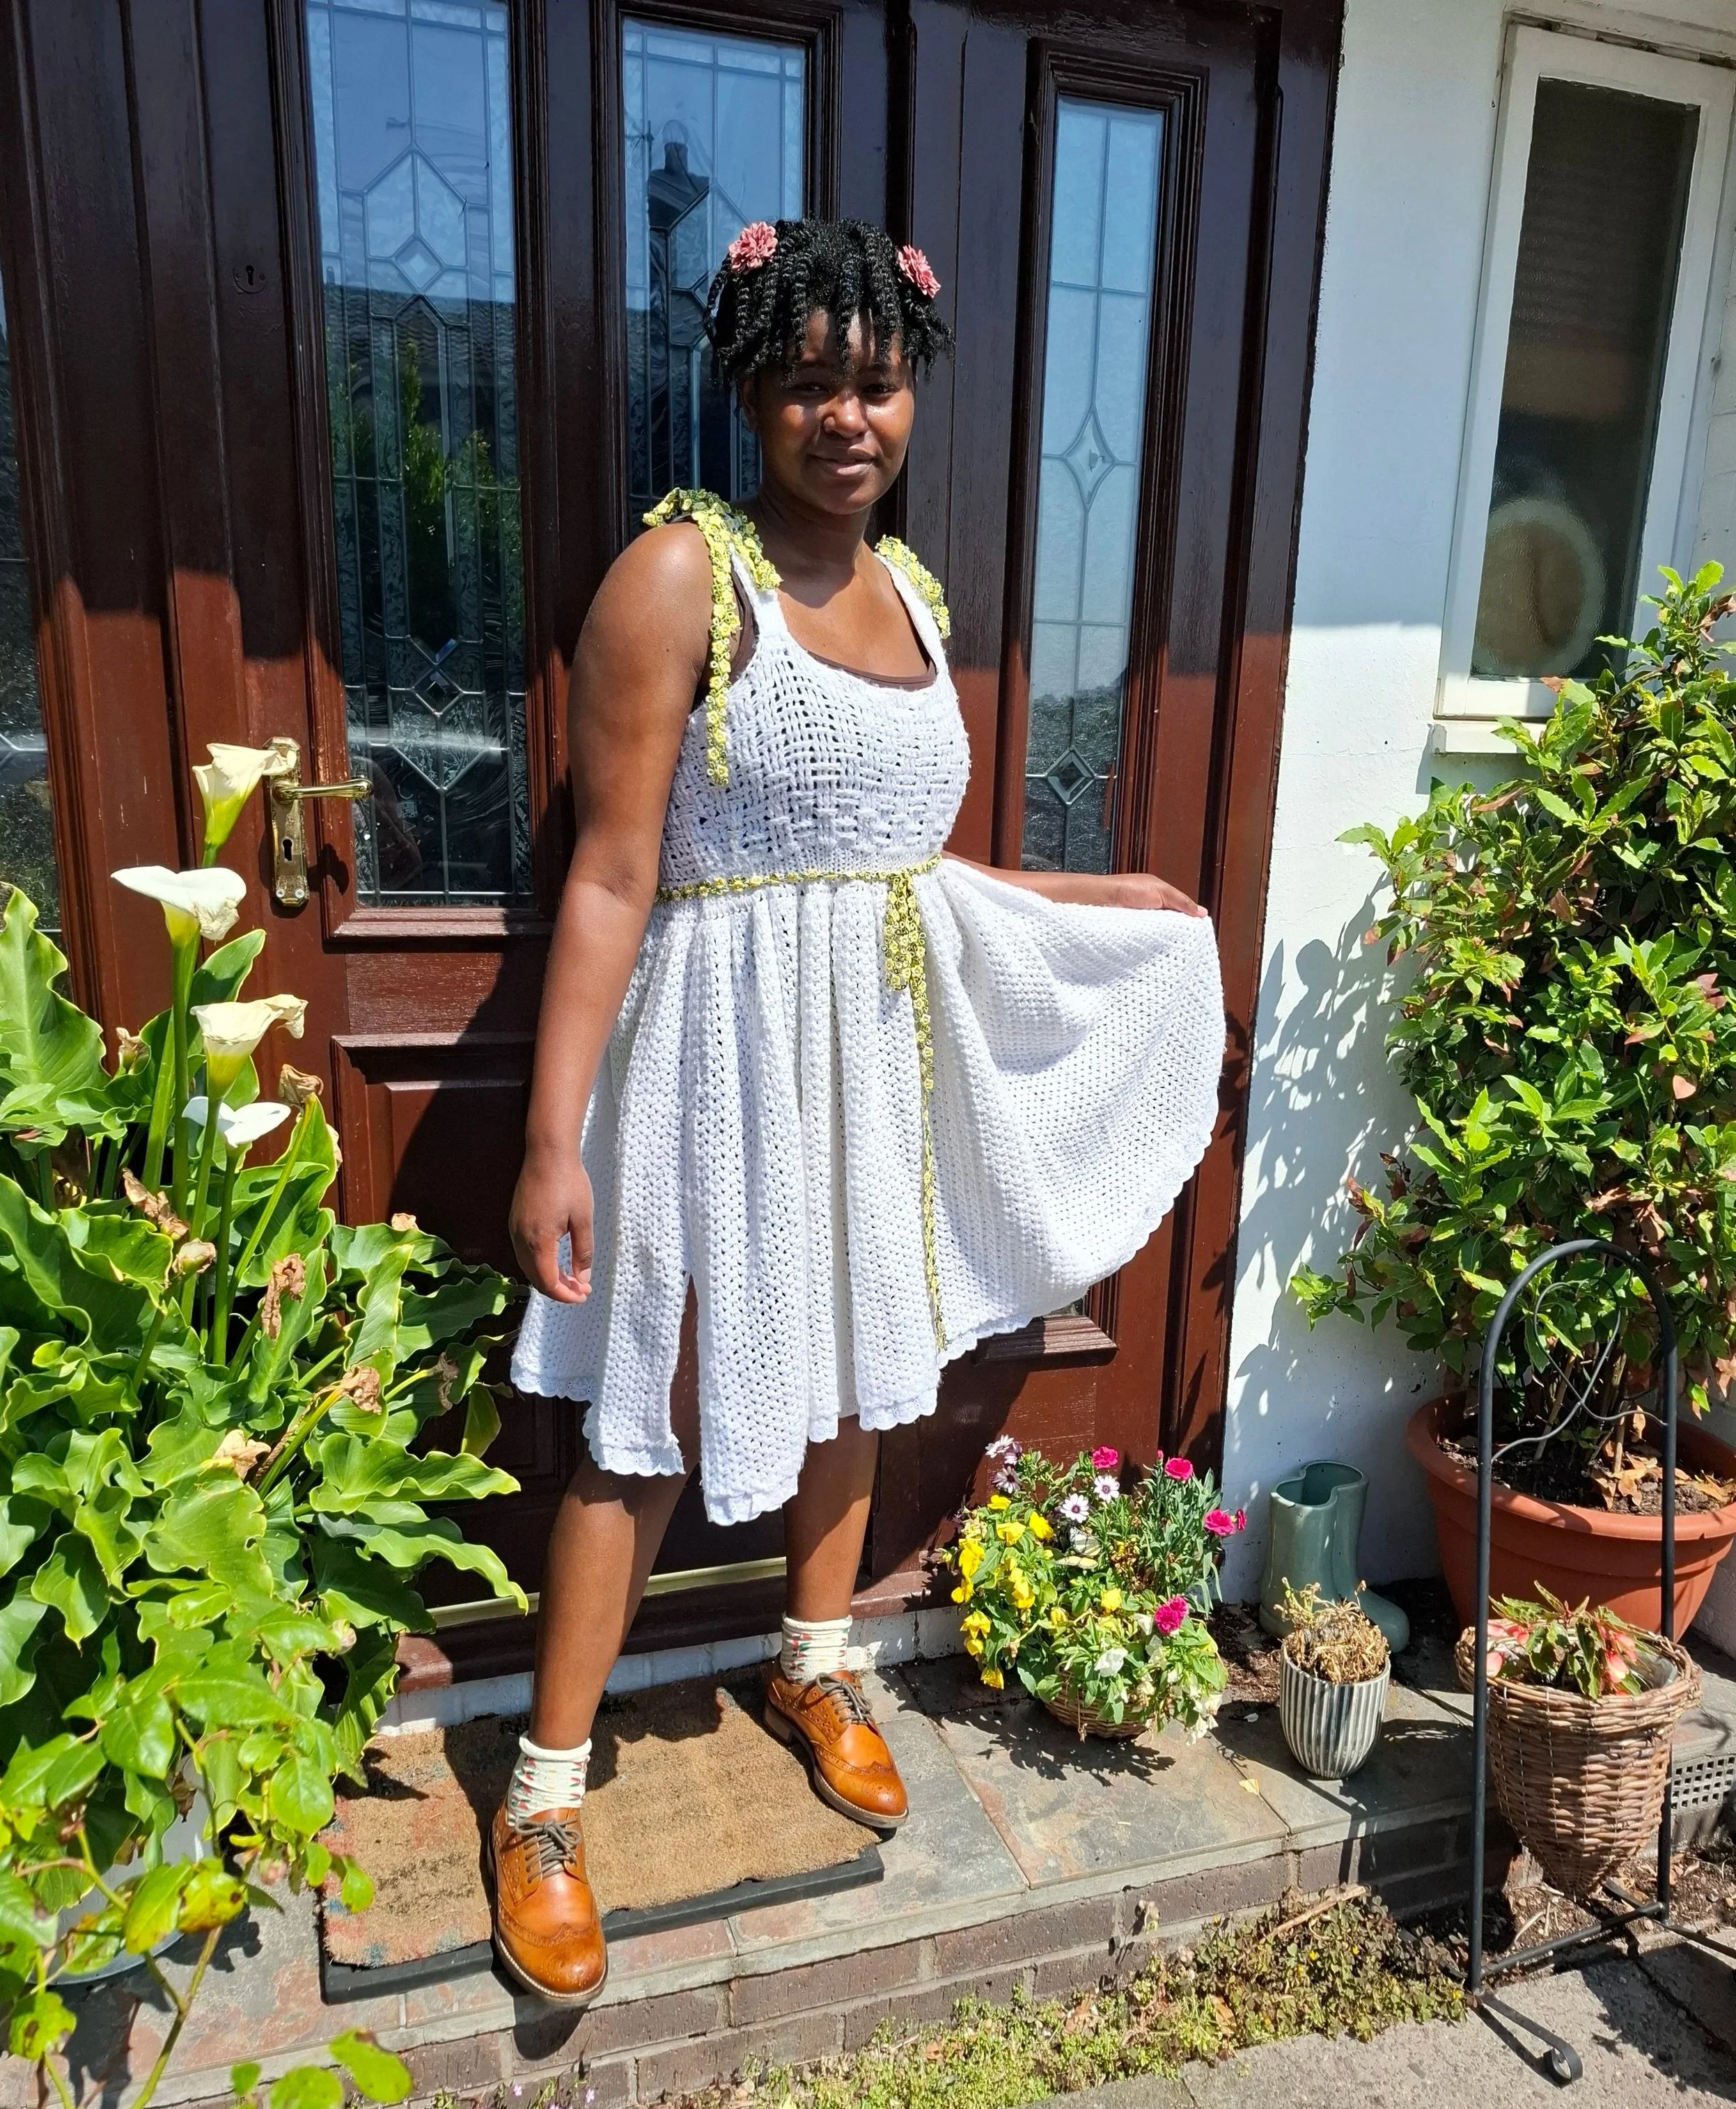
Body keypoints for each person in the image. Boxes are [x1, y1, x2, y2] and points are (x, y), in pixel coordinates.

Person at [496, 217, 1225, 2002]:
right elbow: (607, 878)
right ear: (750, 390)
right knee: (647, 1415)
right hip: (709, 1060)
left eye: (874, 381)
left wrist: (1104, 895)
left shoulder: (916, 596)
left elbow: (905, 860)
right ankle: (540, 1797)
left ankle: (813, 1658)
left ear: (911, 395)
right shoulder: (677, 582)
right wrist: (547, 1136)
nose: (846, 415)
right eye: (809, 380)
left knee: (854, 1367)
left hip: (870, 1055)